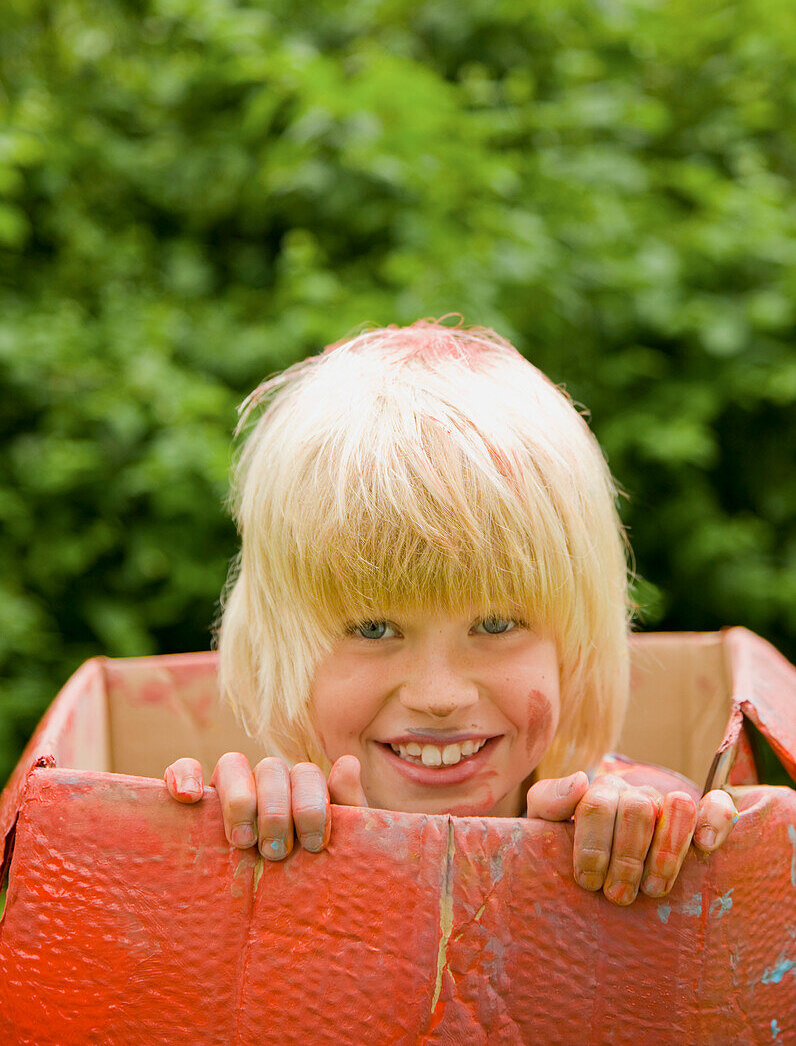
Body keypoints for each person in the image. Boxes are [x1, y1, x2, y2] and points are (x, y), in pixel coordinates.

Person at [164, 319, 736, 906]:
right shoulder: (270, 810)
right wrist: (238, 838)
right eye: (373, 627)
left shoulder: (615, 808)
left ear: (577, 642)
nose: (438, 697)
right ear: (277, 646)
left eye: (495, 624)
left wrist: (657, 830)